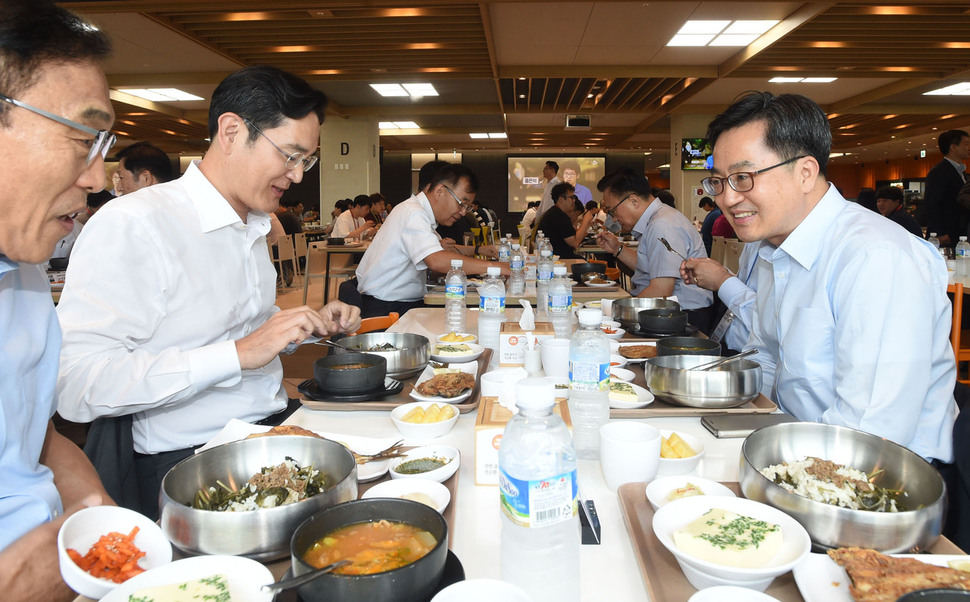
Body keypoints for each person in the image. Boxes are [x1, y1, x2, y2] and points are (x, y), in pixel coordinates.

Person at [56, 65, 361, 519]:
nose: (297, 176)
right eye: (290, 155)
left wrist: (304, 324)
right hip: (188, 463)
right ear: (232, 131)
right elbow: (76, 383)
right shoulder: (136, 223)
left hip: (271, 431)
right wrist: (238, 353)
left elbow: (237, 323)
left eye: (306, 161)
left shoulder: (252, 224)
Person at [698, 90, 955, 462]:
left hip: (872, 481)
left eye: (742, 177)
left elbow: (869, 429)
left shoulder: (873, 257)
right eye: (719, 181)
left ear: (805, 172)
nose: (728, 198)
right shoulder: (774, 246)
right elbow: (767, 356)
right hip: (796, 444)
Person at [0, 2, 115, 599]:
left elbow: (32, 433)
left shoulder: (22, 270)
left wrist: (102, 520)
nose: (98, 179)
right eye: (82, 138)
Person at [355, 163, 508, 318]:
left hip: (398, 304)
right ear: (440, 191)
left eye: (467, 207)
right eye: (461, 203)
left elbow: (443, 255)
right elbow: (437, 261)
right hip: (387, 309)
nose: (462, 212)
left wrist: (479, 254)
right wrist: (495, 267)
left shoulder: (422, 215)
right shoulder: (412, 213)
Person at [594, 169, 714, 331]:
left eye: (612, 211)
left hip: (681, 317)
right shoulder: (658, 219)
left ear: (634, 200)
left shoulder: (662, 224)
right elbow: (650, 268)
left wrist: (614, 314)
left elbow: (661, 290)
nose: (614, 218)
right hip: (667, 312)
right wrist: (617, 249)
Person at [926, 129, 970, 247]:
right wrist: (939, 233)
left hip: (961, 233)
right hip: (947, 235)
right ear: (953, 147)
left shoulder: (963, 173)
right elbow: (932, 204)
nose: (968, 147)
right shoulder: (938, 172)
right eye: (966, 143)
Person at [537, 182, 596, 260]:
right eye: (571, 197)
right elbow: (574, 243)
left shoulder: (556, 213)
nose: (574, 201)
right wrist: (586, 221)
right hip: (559, 259)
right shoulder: (558, 216)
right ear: (561, 199)